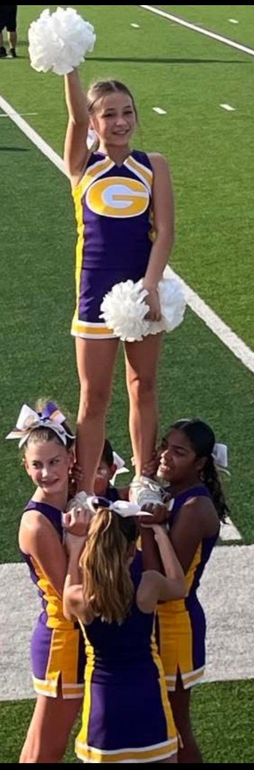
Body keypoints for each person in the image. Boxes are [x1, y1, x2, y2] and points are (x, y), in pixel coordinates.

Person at [63, 69, 174, 499]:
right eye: (109, 114)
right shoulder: (81, 166)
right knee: (93, 397)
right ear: (94, 123)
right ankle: (84, 490)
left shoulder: (153, 166)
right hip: (93, 295)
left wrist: (150, 285)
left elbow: (164, 232)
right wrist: (70, 64)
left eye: (127, 112)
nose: (121, 121)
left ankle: (144, 479)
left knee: (142, 385)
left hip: (141, 290)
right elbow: (73, 116)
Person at [62, 498, 187, 763]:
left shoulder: (77, 597)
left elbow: (65, 609)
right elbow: (179, 586)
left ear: (91, 549)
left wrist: (74, 550)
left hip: (103, 707)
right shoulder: (149, 584)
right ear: (132, 551)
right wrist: (160, 533)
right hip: (148, 699)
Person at [142, 418, 229, 763]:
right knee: (158, 725)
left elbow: (167, 579)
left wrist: (146, 525)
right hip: (160, 624)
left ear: (200, 463)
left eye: (178, 452)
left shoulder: (193, 508)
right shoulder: (174, 494)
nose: (165, 455)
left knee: (175, 728)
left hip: (176, 627)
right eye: (164, 445)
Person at [6, 400, 86, 763]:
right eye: (36, 465)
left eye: (54, 462)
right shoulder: (37, 523)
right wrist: (78, 540)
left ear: (70, 458)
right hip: (62, 638)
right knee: (45, 751)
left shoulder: (71, 501)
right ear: (25, 466)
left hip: (74, 638)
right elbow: (68, 595)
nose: (46, 472)